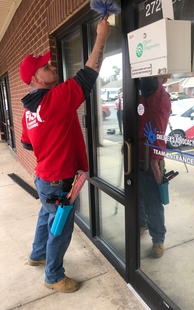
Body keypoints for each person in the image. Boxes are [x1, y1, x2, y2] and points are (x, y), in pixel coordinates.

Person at [20, 16, 111, 293]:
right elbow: (88, 75)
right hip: (60, 181)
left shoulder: (29, 110)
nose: (51, 67)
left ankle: (37, 255)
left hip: (44, 178)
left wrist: (52, 143)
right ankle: (54, 277)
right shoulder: (53, 100)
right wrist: (102, 37)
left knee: (47, 217)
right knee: (60, 228)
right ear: (36, 78)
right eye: (45, 67)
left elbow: (26, 145)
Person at [139, 75, 171, 258]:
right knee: (139, 196)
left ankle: (158, 239)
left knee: (153, 203)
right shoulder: (145, 96)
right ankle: (142, 223)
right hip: (137, 154)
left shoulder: (157, 94)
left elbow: (147, 80)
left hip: (151, 158)